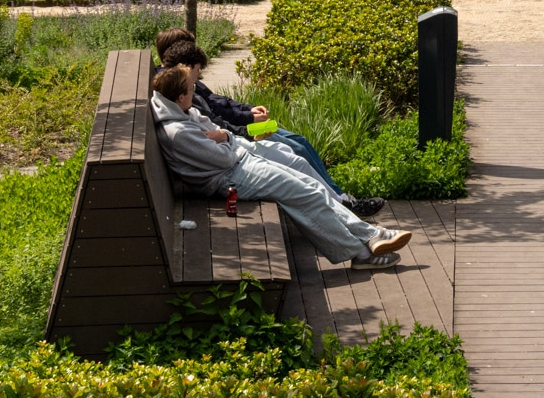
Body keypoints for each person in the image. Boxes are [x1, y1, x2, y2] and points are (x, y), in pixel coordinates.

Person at [150, 64, 410, 266]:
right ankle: (361, 253)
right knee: (305, 194)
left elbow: (219, 134)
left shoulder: (184, 112)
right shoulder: (178, 132)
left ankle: (370, 235)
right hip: (230, 177)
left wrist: (223, 137)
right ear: (181, 96)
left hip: (239, 163)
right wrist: (226, 138)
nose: (195, 92)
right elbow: (225, 157)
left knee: (311, 186)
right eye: (191, 89)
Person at [154, 29, 385, 217]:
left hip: (238, 135)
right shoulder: (182, 91)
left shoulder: (187, 87)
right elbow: (218, 122)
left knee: (298, 141)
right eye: (195, 67)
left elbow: (220, 103)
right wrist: (247, 126)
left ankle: (341, 199)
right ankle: (343, 204)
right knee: (296, 150)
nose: (198, 74)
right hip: (241, 137)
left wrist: (248, 110)